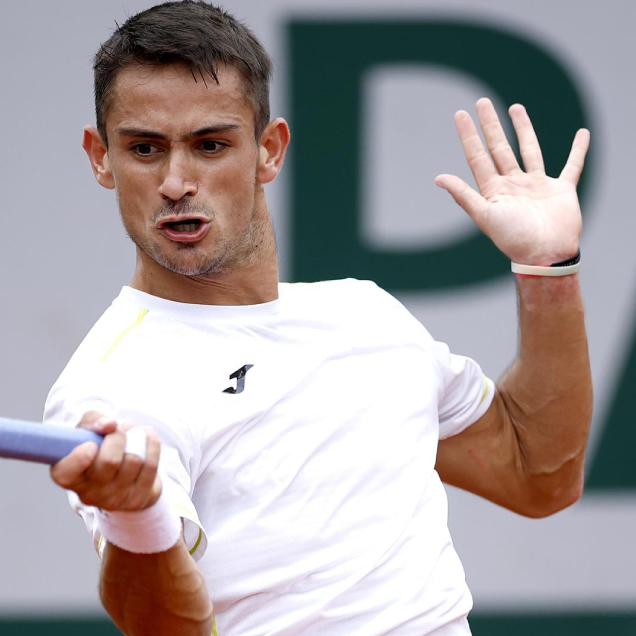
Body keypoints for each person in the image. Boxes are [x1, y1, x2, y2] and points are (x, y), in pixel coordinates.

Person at [43, 2, 592, 635]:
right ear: (101, 157)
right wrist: (135, 516)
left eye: (211, 145)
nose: (175, 181)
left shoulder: (365, 315)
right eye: (144, 149)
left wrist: (550, 269)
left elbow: (539, 476)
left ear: (269, 151)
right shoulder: (113, 386)